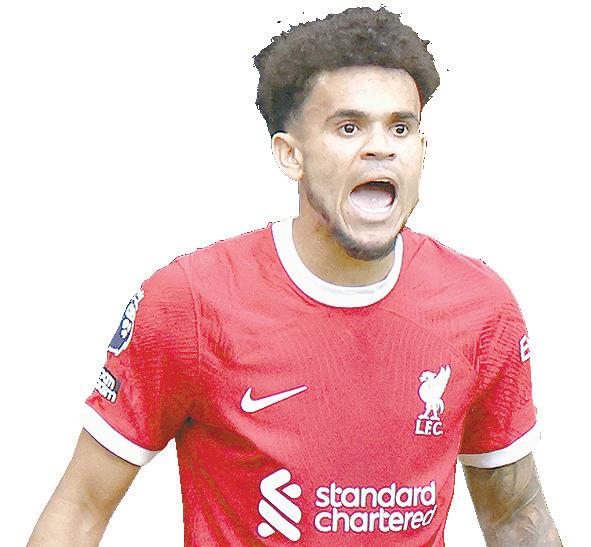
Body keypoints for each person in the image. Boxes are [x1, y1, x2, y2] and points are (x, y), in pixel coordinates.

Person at [28, 6, 562, 546]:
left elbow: (516, 514)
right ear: (290, 156)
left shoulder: (481, 308)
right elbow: (80, 508)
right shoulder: (189, 302)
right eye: (349, 127)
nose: (381, 146)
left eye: (400, 127)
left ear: (422, 150)